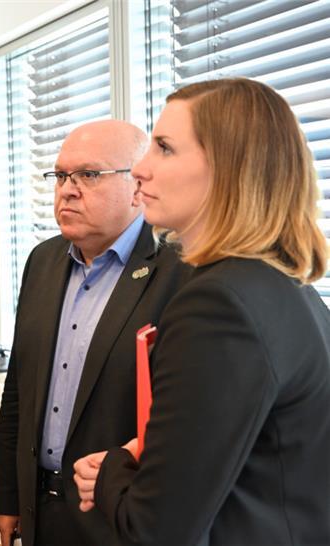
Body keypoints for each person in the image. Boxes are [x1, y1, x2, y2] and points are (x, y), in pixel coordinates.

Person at [74, 78, 330, 544]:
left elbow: (156, 530)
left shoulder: (219, 306)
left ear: (230, 168)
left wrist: (112, 470)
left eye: (165, 148)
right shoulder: (287, 288)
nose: (141, 170)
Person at [0, 119, 191, 545]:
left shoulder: (181, 272)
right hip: (39, 507)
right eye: (61, 176)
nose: (67, 190)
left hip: (117, 516)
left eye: (88, 175)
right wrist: (8, 495)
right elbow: (18, 391)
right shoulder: (42, 261)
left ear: (137, 187)